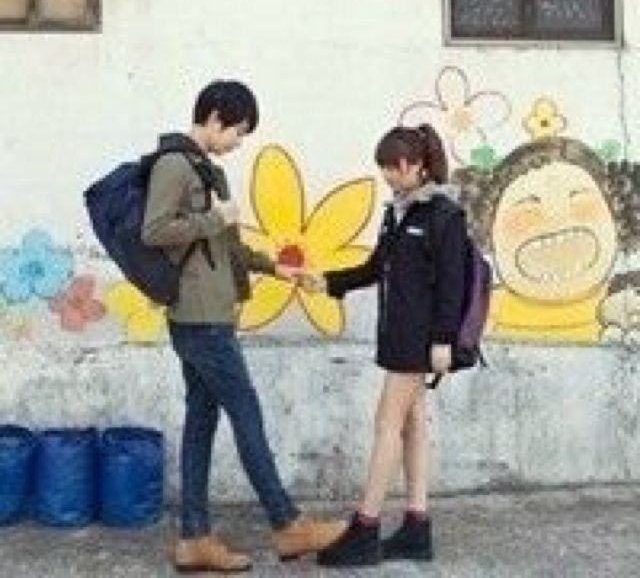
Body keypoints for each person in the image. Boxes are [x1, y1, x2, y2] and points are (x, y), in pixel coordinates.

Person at [142, 80, 344, 573]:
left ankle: (194, 539)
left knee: (202, 421)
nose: (237, 142)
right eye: (236, 131)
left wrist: (278, 268)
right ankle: (287, 523)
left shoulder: (206, 170)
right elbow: (155, 231)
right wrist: (213, 219)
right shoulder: (173, 165)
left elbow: (228, 250)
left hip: (211, 316)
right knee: (246, 414)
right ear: (214, 118)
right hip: (199, 319)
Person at [303, 123, 466, 567]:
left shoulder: (444, 215)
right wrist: (329, 282)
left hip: (420, 340)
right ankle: (417, 526)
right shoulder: (397, 212)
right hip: (397, 334)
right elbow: (376, 267)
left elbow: (452, 284)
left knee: (386, 423)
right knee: (411, 424)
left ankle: (365, 526)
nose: (388, 176)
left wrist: (443, 340)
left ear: (417, 165)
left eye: (394, 168)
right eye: (385, 169)